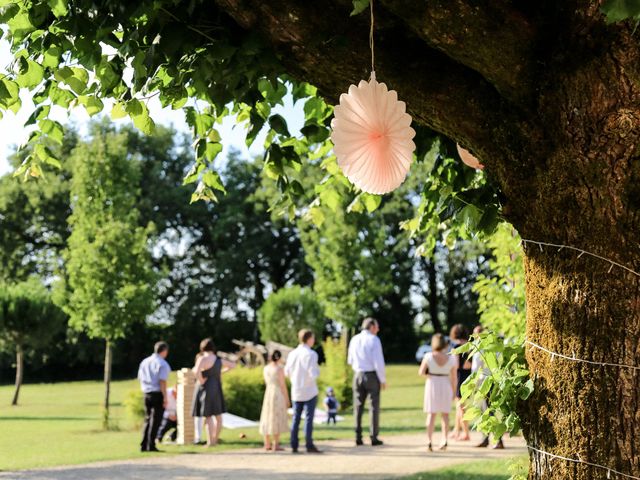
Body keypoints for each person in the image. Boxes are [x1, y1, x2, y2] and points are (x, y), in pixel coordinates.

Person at [347, 317, 386, 446]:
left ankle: (358, 436)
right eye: (377, 327)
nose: (378, 329)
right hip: (371, 375)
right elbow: (378, 362)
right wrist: (382, 379)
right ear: (372, 327)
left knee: (358, 406)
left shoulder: (354, 339)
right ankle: (373, 436)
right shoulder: (374, 340)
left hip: (357, 374)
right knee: (374, 407)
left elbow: (350, 360)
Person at [284, 329, 322, 454]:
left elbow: (287, 372)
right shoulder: (311, 354)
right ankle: (308, 444)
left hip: (296, 390)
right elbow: (313, 373)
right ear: (309, 339)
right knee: (309, 418)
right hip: (309, 390)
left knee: (296, 418)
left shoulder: (292, 354)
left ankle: (294, 444)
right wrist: (317, 373)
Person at [192, 338, 234, 447]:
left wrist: (201, 381)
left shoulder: (202, 358)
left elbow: (196, 371)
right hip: (216, 387)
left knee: (208, 416)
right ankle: (215, 439)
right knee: (218, 416)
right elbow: (233, 365)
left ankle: (210, 442)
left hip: (206, 388)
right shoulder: (218, 359)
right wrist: (220, 372)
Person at [419, 333, 457, 452]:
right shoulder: (451, 357)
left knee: (431, 414)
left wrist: (430, 374)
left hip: (432, 383)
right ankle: (444, 439)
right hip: (445, 383)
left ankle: (429, 441)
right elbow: (454, 377)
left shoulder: (428, 356)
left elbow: (421, 372)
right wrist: (454, 391)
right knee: (445, 415)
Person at [471, 325, 505, 449]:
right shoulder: (495, 347)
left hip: (484, 383)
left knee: (487, 411)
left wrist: (473, 386)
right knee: (491, 410)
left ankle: (497, 440)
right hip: (496, 381)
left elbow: (475, 369)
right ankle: (486, 438)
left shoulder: (479, 349)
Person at [138, 341, 171, 452]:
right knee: (156, 421)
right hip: (157, 393)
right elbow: (162, 382)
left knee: (148, 419)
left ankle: (144, 444)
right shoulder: (162, 364)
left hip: (146, 393)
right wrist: (165, 397)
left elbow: (140, 378)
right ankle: (151, 445)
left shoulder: (145, 362)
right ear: (164, 351)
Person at [259, 350, 290, 452]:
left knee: (267, 416)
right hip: (277, 393)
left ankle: (266, 443)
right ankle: (275, 444)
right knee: (276, 417)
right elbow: (282, 384)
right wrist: (287, 398)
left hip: (268, 393)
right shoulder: (279, 369)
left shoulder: (266, 368)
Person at [450, 324, 472, 441]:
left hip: (459, 377)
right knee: (460, 405)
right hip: (468, 376)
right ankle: (456, 430)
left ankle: (466, 432)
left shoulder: (456, 346)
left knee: (460, 406)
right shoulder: (469, 346)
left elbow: (456, 365)